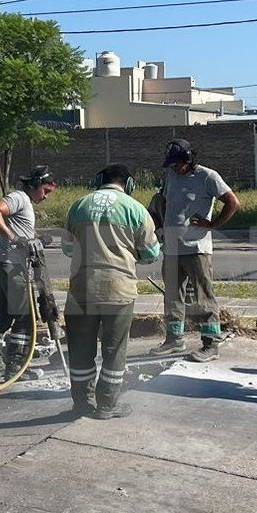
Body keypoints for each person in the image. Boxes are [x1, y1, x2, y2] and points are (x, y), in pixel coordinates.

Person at [62, 164, 160, 419]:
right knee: (114, 349)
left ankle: (82, 402)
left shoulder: (78, 205)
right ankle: (107, 404)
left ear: (98, 180)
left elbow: (68, 248)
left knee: (81, 348)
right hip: (119, 290)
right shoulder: (136, 209)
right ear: (129, 184)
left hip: (81, 288)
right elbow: (150, 254)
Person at [148, 138, 241, 363]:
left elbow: (233, 203)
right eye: (171, 164)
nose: (174, 168)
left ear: (189, 159)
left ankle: (211, 344)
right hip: (171, 249)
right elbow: (164, 203)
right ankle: (174, 339)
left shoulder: (208, 176)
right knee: (173, 297)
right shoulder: (171, 176)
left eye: (177, 163)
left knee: (203, 298)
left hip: (196, 249)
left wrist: (213, 224)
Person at [0, 165, 58, 381]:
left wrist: (35, 237)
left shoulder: (24, 201)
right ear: (35, 184)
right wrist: (14, 239)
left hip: (1, 264)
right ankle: (16, 367)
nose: (45, 197)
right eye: (45, 191)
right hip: (12, 267)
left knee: (3, 315)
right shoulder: (19, 198)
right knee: (26, 317)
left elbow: (19, 227)